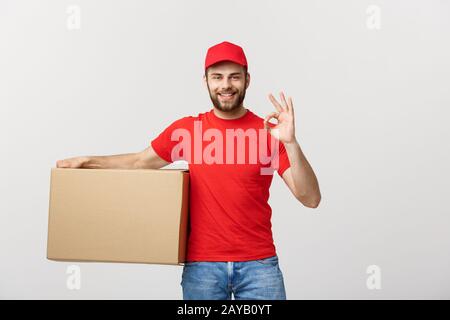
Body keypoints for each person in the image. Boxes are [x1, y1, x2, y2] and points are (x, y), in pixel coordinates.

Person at [56, 41, 321, 300]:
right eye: (217, 77)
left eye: (234, 77)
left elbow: (310, 198)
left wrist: (291, 142)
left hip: (259, 266)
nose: (226, 85)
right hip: (202, 267)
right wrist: (88, 161)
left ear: (247, 80)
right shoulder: (187, 131)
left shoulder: (268, 133)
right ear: (206, 81)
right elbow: (139, 162)